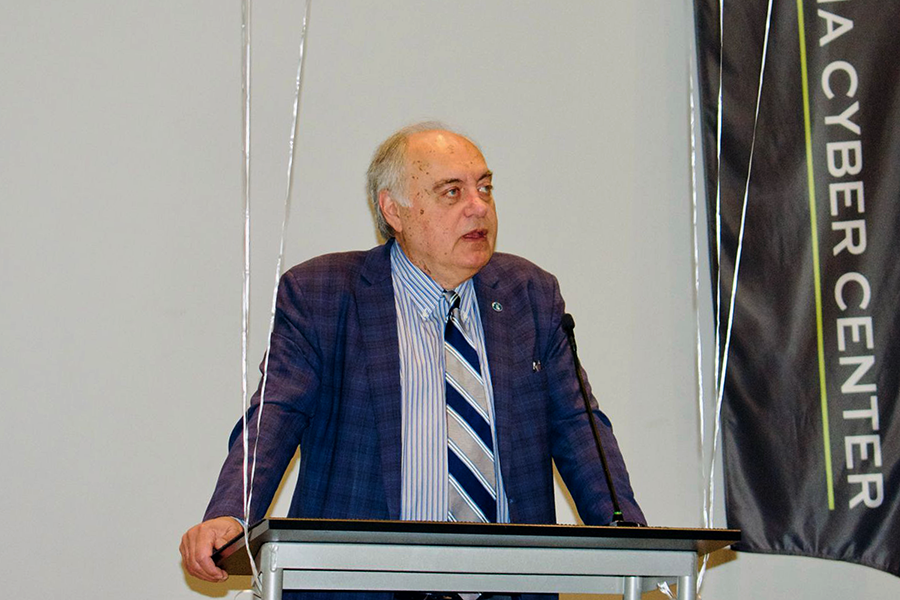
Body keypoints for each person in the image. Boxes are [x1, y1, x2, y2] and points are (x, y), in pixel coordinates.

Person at [180, 122, 645, 594]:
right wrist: (232, 511)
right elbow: (276, 413)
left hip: (507, 586)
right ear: (394, 210)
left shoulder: (530, 294)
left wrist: (626, 532)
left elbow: (577, 426)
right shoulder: (324, 293)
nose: (478, 206)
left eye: (485, 188)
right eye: (452, 191)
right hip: (360, 587)